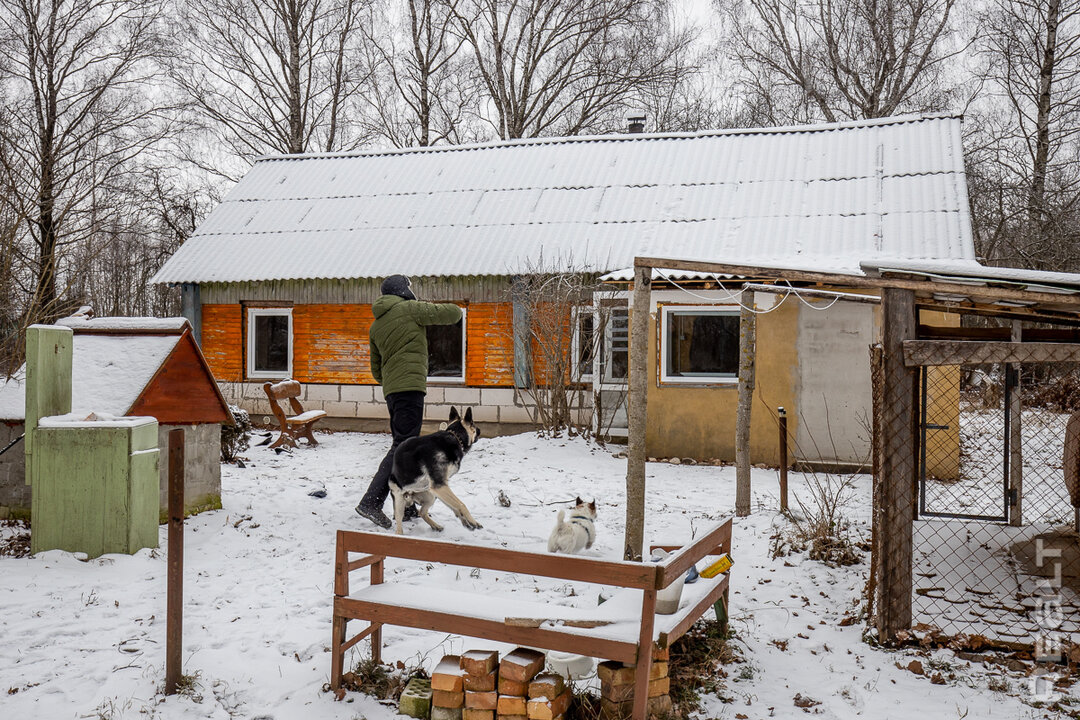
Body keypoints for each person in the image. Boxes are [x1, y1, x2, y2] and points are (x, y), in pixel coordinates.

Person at [355, 274, 463, 528]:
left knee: (405, 446)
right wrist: (456, 316)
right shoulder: (410, 309)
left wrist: (393, 381)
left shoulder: (376, 325)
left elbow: (376, 371)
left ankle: (407, 505)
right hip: (409, 388)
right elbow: (452, 312)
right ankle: (371, 501)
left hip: (393, 391)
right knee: (402, 447)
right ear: (403, 291)